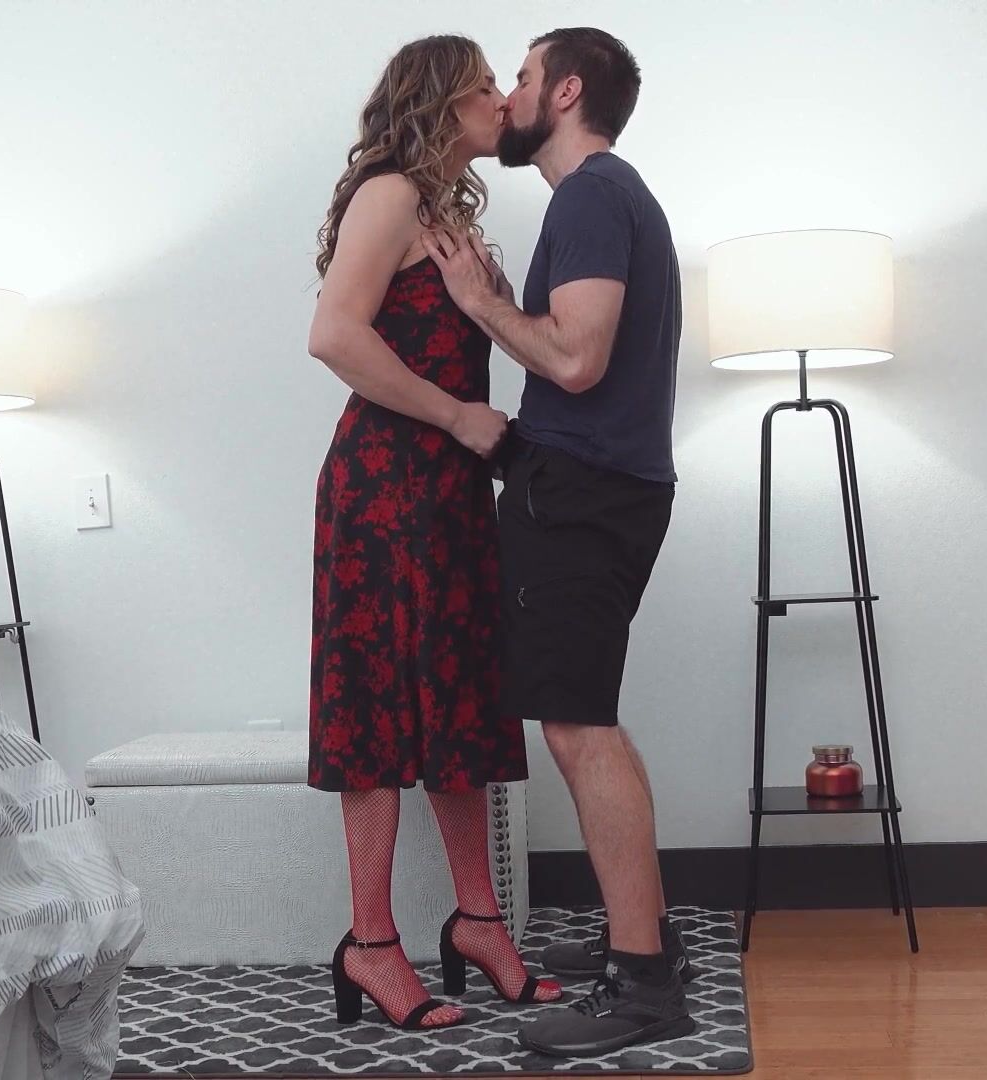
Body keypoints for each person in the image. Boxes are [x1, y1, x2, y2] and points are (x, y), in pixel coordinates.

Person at [420, 26, 693, 1058]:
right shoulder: (609, 198)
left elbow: (577, 361)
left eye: (525, 76)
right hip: (593, 486)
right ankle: (645, 937)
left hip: (585, 499)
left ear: (567, 91)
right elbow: (585, 373)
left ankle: (644, 983)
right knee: (587, 721)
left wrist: (480, 303)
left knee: (580, 728)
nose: (510, 94)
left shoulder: (589, 196)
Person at [305, 34, 564, 1032]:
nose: (503, 99)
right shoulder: (389, 193)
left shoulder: (446, 213)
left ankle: (478, 923)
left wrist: (483, 304)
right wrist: (459, 417)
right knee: (374, 707)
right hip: (382, 488)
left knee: (462, 704)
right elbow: (334, 334)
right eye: (487, 85)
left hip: (448, 493)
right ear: (443, 102)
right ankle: (371, 944)